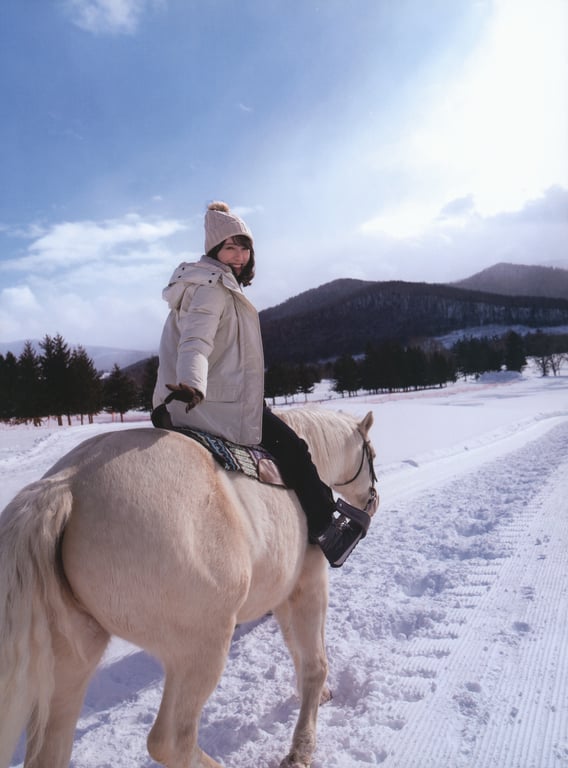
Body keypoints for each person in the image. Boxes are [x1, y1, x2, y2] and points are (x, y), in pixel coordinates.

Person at [152, 201, 370, 567]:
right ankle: (326, 529)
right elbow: (195, 342)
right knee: (295, 450)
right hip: (208, 401)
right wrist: (191, 381)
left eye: (244, 247)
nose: (238, 256)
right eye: (229, 247)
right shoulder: (212, 288)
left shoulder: (206, 283)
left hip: (201, 397)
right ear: (214, 250)